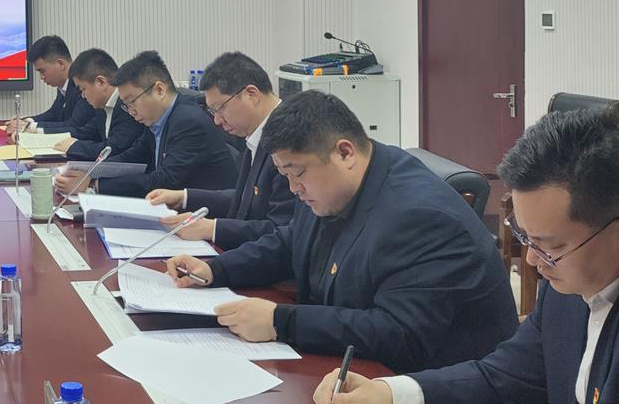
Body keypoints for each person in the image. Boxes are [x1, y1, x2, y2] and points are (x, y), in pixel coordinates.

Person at [313, 107, 619, 404]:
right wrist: (388, 395)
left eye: (550, 246)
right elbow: (503, 378)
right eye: (526, 238)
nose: (532, 261)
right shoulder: (577, 269)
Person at [166, 90, 517, 373]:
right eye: (285, 175)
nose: (293, 188)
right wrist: (216, 269)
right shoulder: (336, 186)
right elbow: (291, 242)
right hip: (354, 375)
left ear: (345, 152)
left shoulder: (419, 217)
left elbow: (399, 333)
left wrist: (281, 321)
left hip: (439, 402)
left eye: (297, 173)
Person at [146, 51, 296, 249]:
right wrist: (184, 197)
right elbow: (248, 199)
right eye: (213, 111)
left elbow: (283, 230)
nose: (217, 120)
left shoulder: (290, 140)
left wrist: (212, 229)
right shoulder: (256, 133)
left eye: (219, 108)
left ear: (251, 94)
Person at [55, 50, 237, 197]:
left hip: (207, 218)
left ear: (159, 90)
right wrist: (90, 172)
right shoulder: (157, 121)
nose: (130, 111)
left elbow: (162, 181)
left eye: (132, 102)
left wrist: (94, 185)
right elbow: (132, 156)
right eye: (126, 105)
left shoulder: (187, 121)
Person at [54, 48, 151, 164]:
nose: (83, 96)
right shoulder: (102, 107)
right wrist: (51, 138)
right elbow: (86, 132)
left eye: (83, 89)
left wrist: (73, 146)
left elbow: (114, 148)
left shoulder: (127, 106)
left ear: (101, 82)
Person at [4, 35, 96, 136]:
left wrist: (29, 127)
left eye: (42, 71)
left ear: (60, 64)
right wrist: (26, 121)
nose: (41, 77)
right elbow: (53, 114)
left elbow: (74, 125)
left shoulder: (83, 86)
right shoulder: (64, 85)